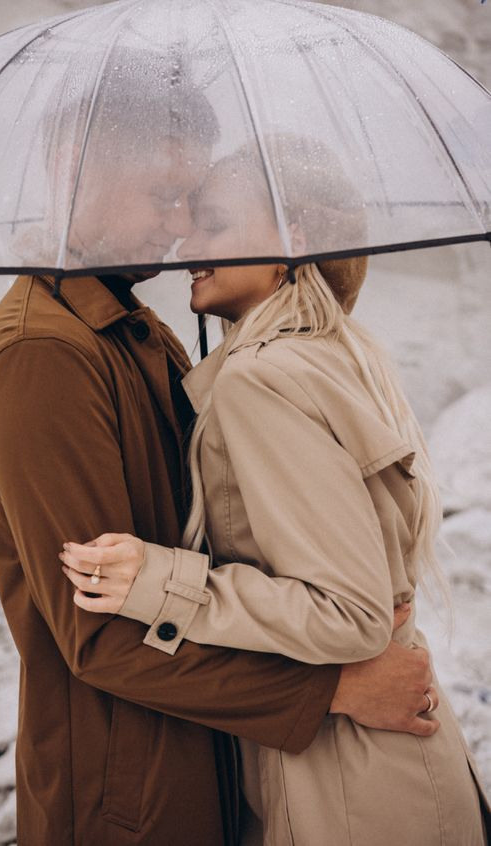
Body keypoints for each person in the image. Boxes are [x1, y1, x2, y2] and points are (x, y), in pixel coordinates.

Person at [0, 64, 439, 845]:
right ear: (73, 170)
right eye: (165, 195)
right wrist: (334, 689)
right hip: (128, 795)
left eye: (194, 200)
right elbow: (99, 634)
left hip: (209, 752)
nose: (182, 225)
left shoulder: (140, 334)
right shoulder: (40, 356)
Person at [60, 136, 490, 845]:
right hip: (380, 766)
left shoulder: (263, 379)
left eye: (215, 224)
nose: (188, 243)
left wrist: (160, 583)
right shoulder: (328, 354)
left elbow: (348, 615)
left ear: (296, 240)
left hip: (350, 789)